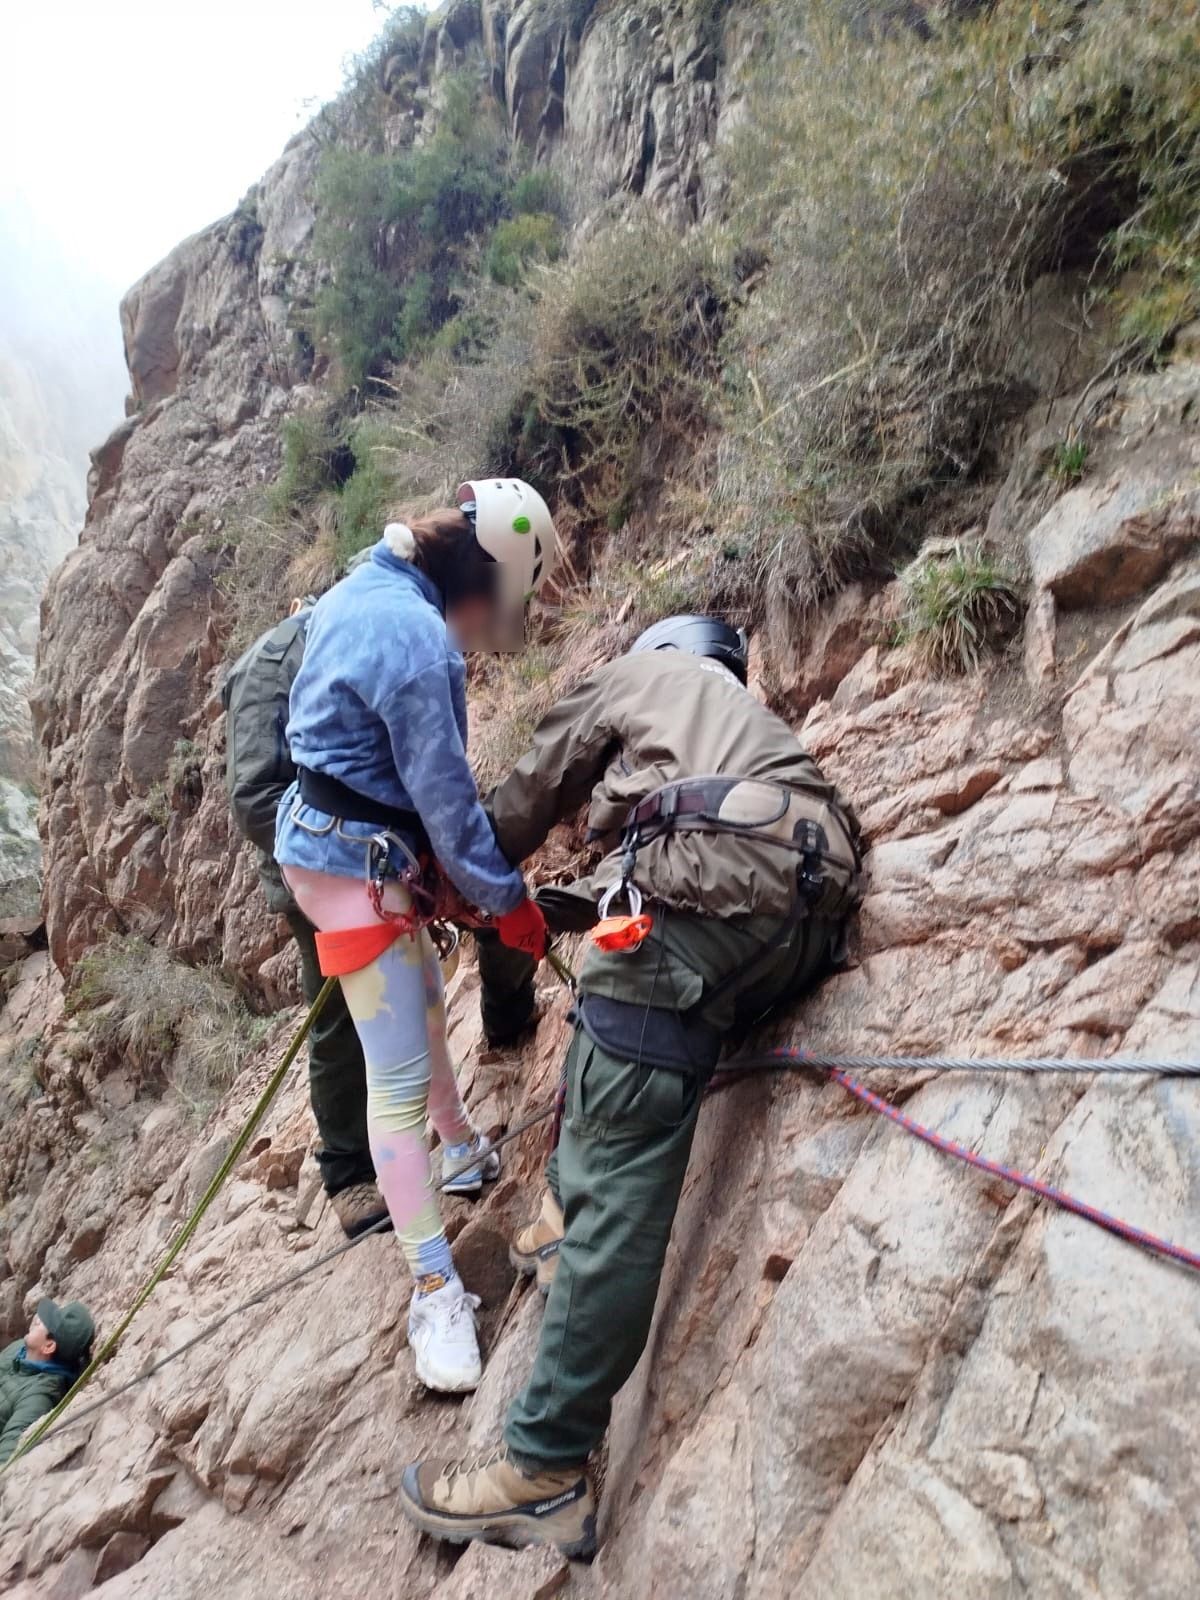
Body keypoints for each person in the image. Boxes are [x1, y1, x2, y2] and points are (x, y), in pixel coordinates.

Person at [398, 614, 863, 1558]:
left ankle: (541, 1468)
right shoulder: (743, 722)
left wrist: (453, 883)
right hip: (812, 906)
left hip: (700, 895)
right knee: (629, 1018)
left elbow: (522, 803)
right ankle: (562, 1212)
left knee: (621, 1078)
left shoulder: (636, 680)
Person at [274, 481, 557, 1395]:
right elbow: (449, 804)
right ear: (483, 581)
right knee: (392, 1069)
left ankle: (460, 1143)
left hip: (336, 842)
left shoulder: (374, 579)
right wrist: (505, 902)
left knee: (423, 991)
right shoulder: (419, 644)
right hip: (350, 864)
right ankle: (434, 1289)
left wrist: (429, 876)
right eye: (502, 608)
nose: (489, 630)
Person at [223, 589, 538, 1240]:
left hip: (398, 843)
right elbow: (255, 797)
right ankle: (349, 1175)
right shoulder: (270, 664)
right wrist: (351, 849)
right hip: (322, 869)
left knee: (493, 890)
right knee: (338, 1012)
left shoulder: (390, 641)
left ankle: (508, 1017)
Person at [0, 1299, 96, 1464]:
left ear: (49, 1346)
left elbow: (7, 1454)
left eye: (43, 1323)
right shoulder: (19, 1349)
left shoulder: (39, 1395)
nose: (37, 1318)